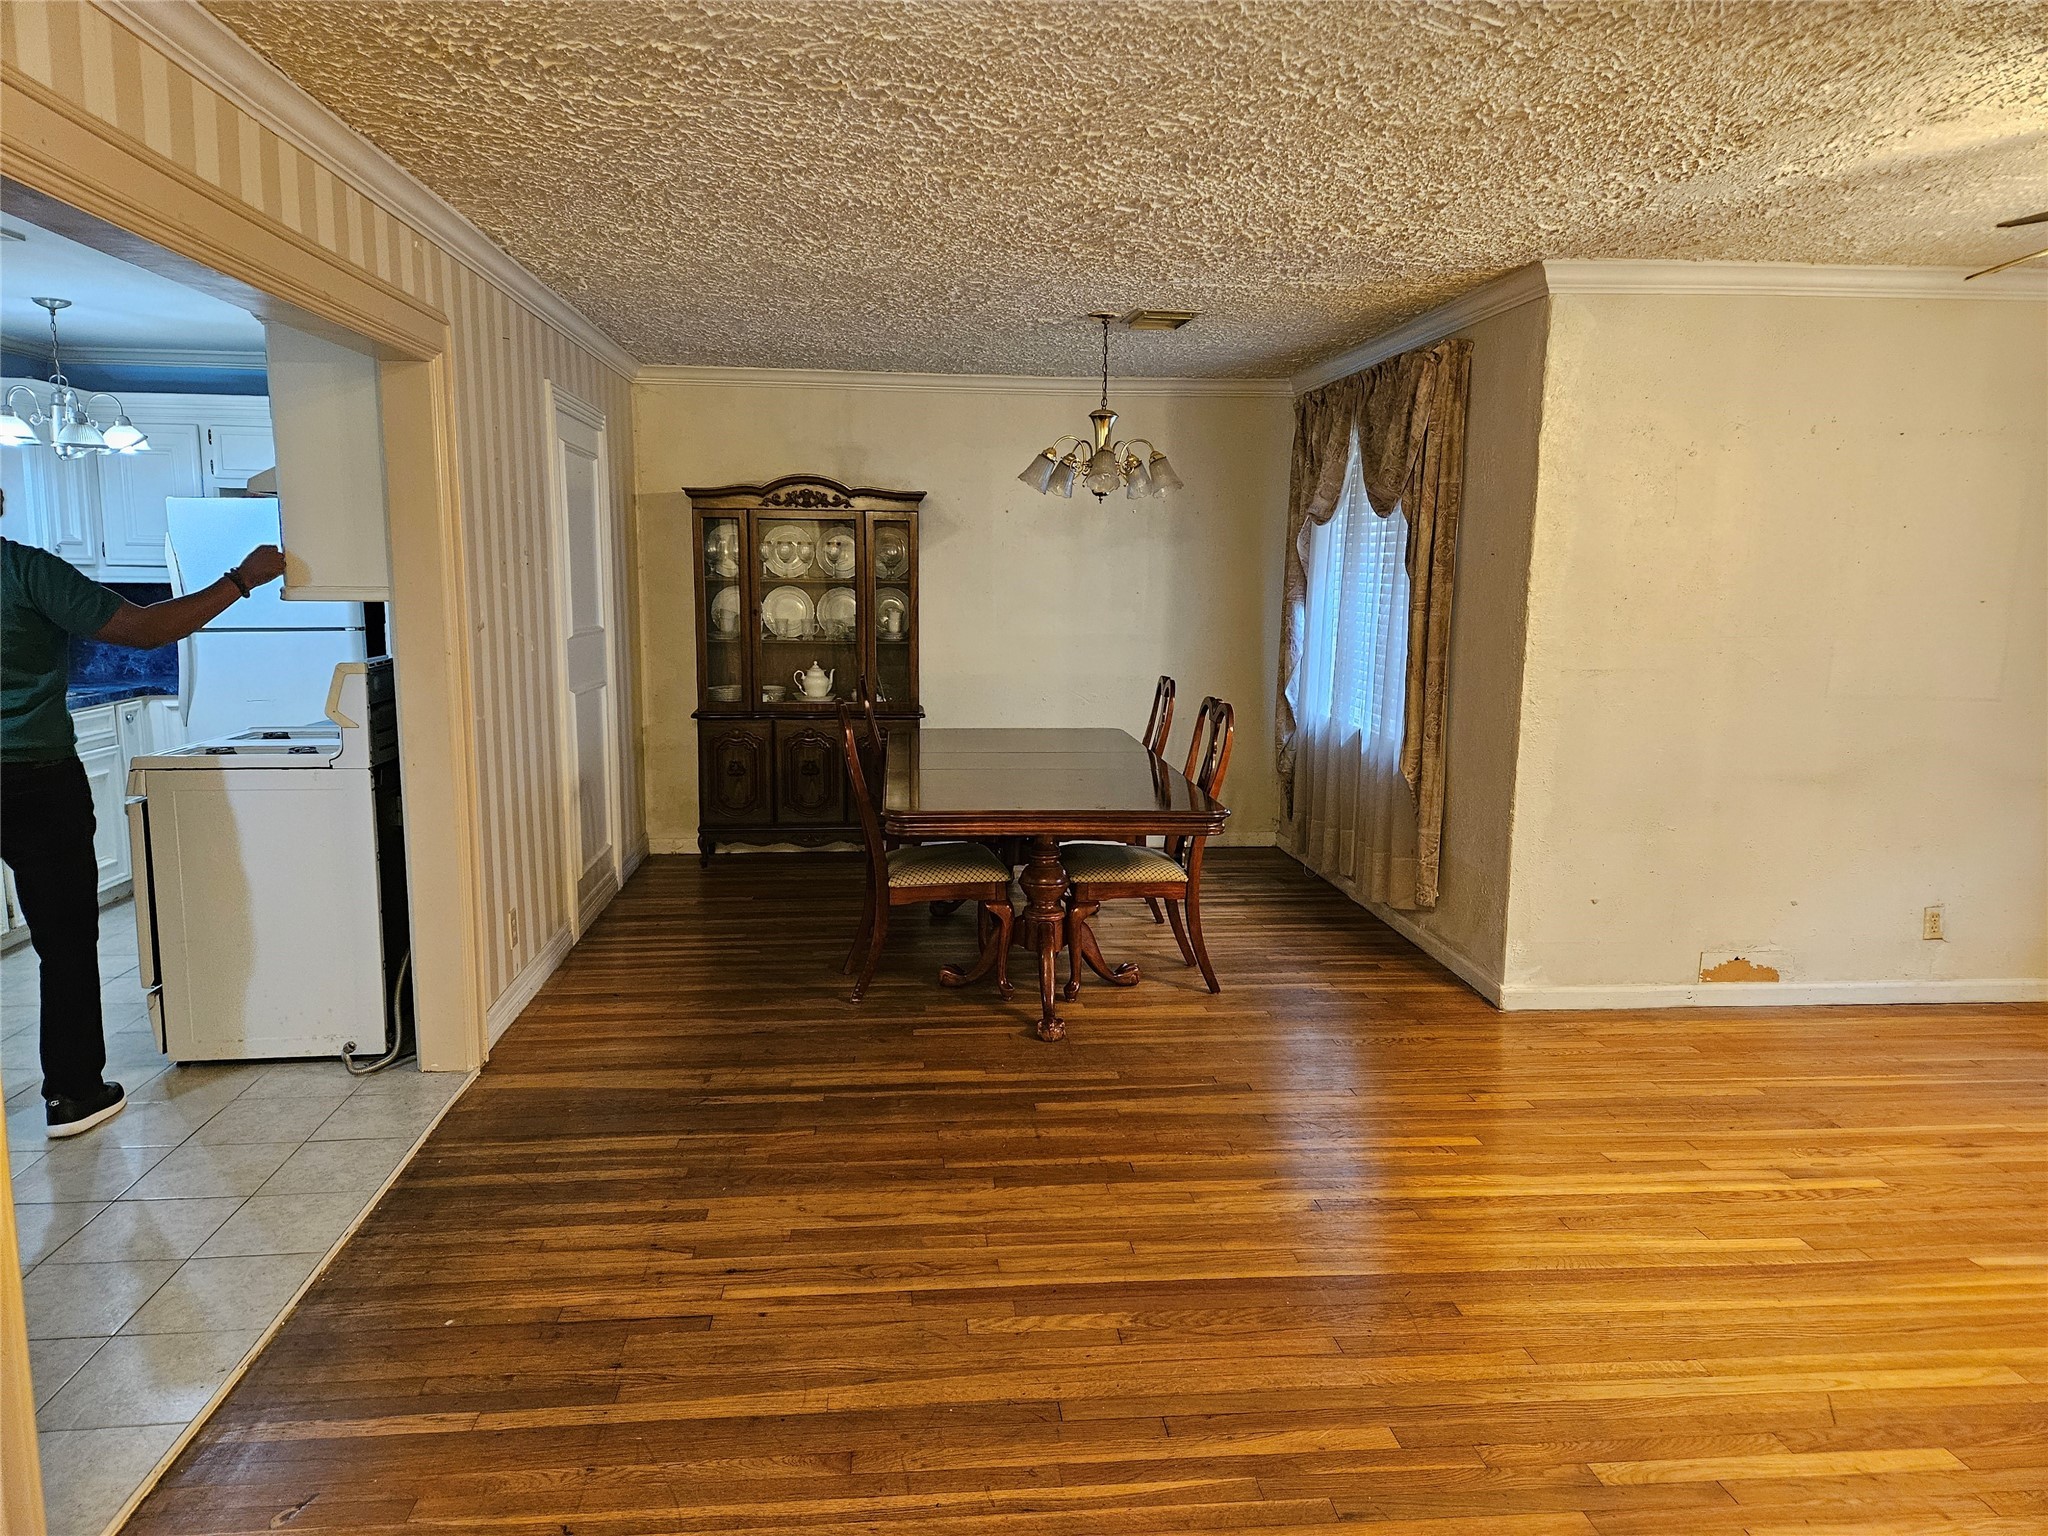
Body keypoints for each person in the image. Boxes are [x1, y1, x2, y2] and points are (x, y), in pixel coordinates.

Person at [2, 489, 286, 1136]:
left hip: (34, 776)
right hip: (34, 777)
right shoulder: (23, 568)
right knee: (64, 940)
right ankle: (72, 1095)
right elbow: (146, 630)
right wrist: (241, 579)